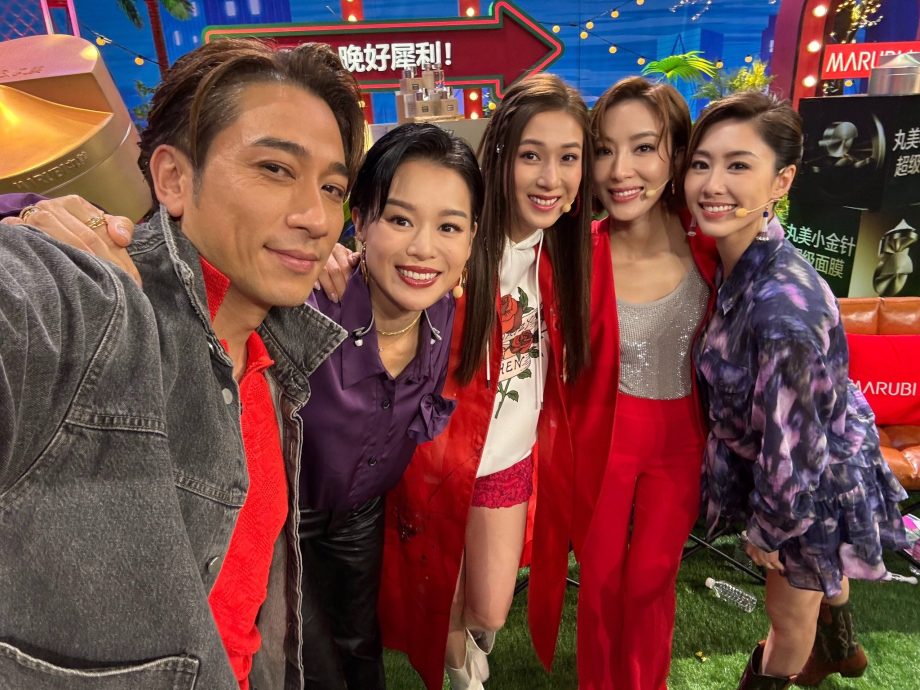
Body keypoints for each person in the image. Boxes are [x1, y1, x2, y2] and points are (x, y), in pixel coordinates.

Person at [0, 38, 365, 690]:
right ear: (172, 178)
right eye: (276, 168)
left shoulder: (276, 360)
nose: (317, 217)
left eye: (332, 186)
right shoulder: (100, 306)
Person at [316, 73, 595, 689]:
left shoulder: (565, 254)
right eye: (531, 155)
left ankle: (466, 651)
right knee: (435, 601)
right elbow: (383, 268)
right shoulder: (454, 248)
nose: (550, 178)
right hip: (437, 460)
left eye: (569, 158)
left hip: (507, 460)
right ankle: (460, 670)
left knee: (489, 609)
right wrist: (333, 255)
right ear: (500, 155)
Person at [684, 90, 911, 689]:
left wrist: (771, 528)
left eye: (738, 165)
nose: (712, 183)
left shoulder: (784, 308)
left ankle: (790, 668)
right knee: (815, 586)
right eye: (702, 163)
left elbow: (795, 449)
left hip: (805, 487)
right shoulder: (737, 261)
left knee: (786, 620)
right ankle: (842, 650)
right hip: (810, 459)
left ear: (781, 181)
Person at [296, 123, 481, 689]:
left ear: (471, 238)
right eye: (400, 220)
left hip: (360, 512)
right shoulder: (306, 302)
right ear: (359, 221)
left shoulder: (444, 308)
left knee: (360, 645)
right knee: (306, 663)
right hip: (283, 519)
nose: (423, 248)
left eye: (448, 227)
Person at [569, 77, 718, 690]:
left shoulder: (711, 244)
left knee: (652, 582)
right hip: (599, 441)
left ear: (677, 154)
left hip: (683, 442)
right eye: (604, 149)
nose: (619, 170)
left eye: (643, 147)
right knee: (600, 582)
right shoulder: (573, 252)